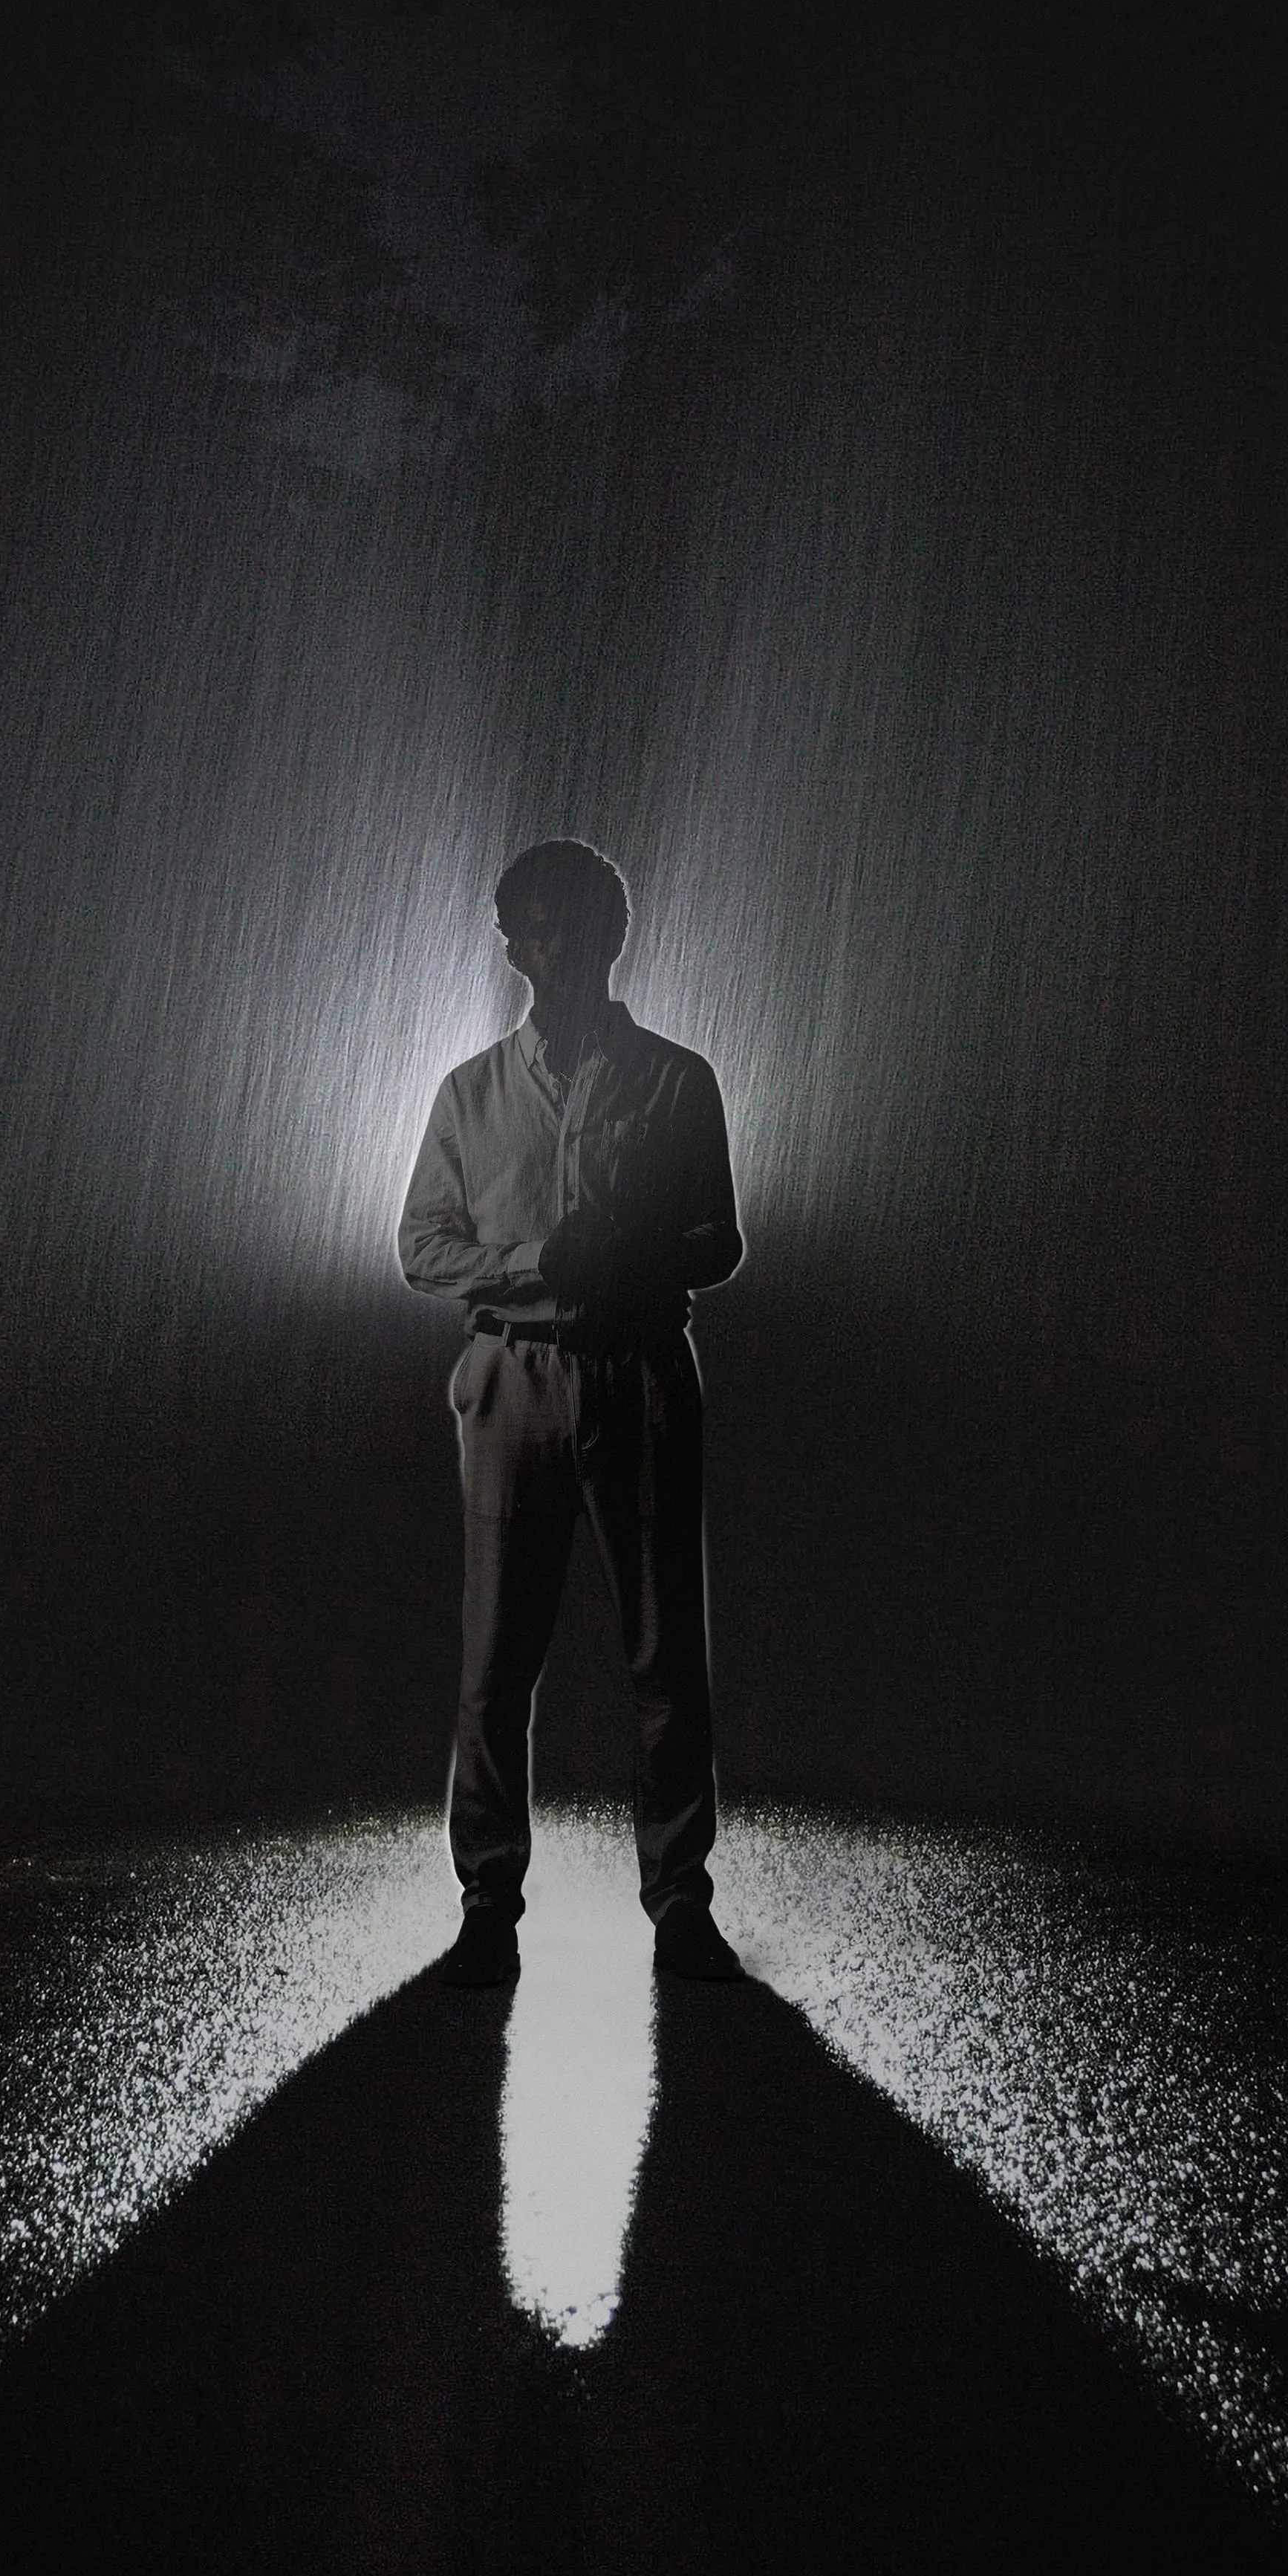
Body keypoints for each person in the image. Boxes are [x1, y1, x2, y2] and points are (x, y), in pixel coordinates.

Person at [397, 838, 747, 1986]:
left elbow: (722, 1242)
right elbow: (421, 1248)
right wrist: (546, 1259)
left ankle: (676, 1892)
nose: (553, 951)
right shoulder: (471, 1091)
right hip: (517, 1373)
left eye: (571, 926)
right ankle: (491, 1898)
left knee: (661, 1646)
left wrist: (630, 1256)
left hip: (636, 1364)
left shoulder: (678, 1079)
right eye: (536, 930)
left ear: (610, 934)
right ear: (513, 946)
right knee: (498, 1653)